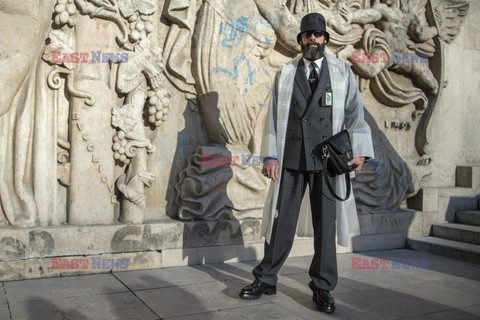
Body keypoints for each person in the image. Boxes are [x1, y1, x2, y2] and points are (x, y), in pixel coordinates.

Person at [238, 13, 374, 313]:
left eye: (317, 34)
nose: (313, 39)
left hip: (327, 163)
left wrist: (362, 151)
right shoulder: (285, 73)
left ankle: (323, 287)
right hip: (291, 157)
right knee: (280, 221)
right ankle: (266, 278)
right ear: (300, 40)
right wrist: (271, 154)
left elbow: (355, 115)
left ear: (325, 39)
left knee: (326, 226)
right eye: (307, 35)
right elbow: (273, 117)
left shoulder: (341, 72)